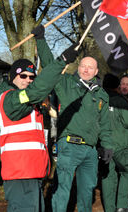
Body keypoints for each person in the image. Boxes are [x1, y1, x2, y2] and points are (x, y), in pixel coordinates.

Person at [32, 25, 113, 212]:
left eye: (90, 67)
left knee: (87, 192)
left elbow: (105, 124)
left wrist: (107, 144)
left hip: (91, 152)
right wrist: (41, 40)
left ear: (96, 71)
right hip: (69, 146)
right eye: (83, 66)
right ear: (78, 67)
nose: (85, 70)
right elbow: (51, 65)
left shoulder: (102, 95)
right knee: (62, 190)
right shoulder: (66, 83)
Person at [0, 45, 78, 212]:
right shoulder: (10, 99)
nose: (28, 80)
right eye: (23, 76)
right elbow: (36, 91)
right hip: (20, 174)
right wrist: (60, 62)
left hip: (34, 172)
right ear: (12, 78)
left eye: (32, 77)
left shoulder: (31, 104)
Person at [102, 73, 128, 212]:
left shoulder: (103, 98)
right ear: (118, 85)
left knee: (108, 177)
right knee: (127, 172)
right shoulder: (122, 101)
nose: (125, 86)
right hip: (122, 145)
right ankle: (122, 205)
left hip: (105, 144)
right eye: (123, 83)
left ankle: (110, 208)